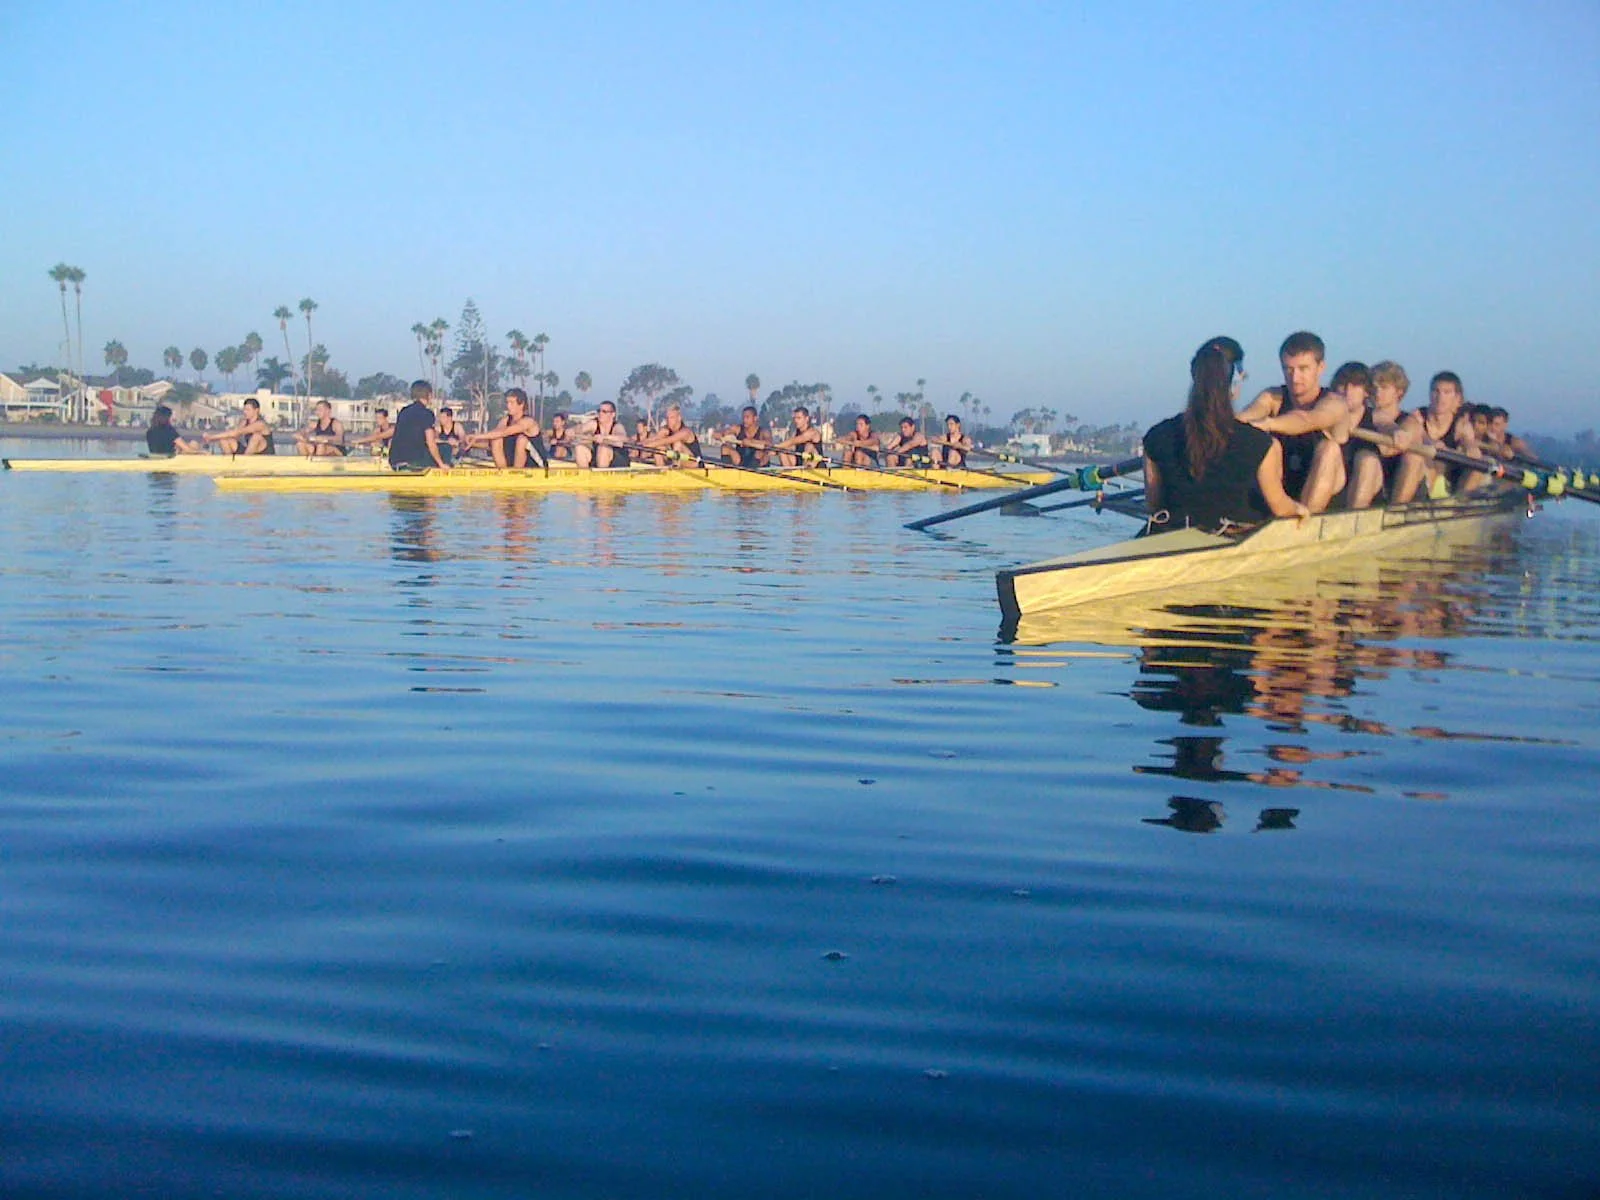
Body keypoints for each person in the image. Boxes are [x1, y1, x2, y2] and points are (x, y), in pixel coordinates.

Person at [1142, 337, 1307, 533]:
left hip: (1167, 533)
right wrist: (1300, 509)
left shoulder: (1155, 437)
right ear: (1235, 381)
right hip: (1232, 538)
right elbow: (1280, 507)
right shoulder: (1261, 444)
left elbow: (1153, 503)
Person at [1237, 331, 1348, 508]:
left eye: (1303, 369)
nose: (1294, 378)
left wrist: (1269, 423)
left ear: (1320, 368)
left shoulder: (1335, 404)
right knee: (1269, 444)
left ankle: (1306, 523)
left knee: (1330, 448)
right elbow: (1249, 414)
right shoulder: (1273, 397)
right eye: (1288, 369)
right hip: (1284, 492)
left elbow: (1309, 420)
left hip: (1327, 495)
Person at [1390, 371, 1485, 502]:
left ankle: (1460, 507)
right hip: (1421, 476)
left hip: (1449, 479)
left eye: (1446, 392)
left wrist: (1470, 448)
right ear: (1430, 394)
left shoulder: (1461, 424)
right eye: (1436, 391)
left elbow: (1469, 442)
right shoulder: (1416, 417)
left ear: (1456, 398)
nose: (1440, 398)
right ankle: (1396, 508)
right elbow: (1410, 429)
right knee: (1414, 456)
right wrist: (1428, 441)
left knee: (1479, 464)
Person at [1345, 360, 1423, 509]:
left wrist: (1398, 434)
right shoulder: (1363, 415)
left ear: (1399, 392)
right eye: (1374, 388)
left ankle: (1396, 512)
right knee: (1367, 459)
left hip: (1397, 478)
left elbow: (1394, 440)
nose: (1378, 393)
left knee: (1414, 456)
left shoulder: (1409, 421)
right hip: (1370, 478)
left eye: (1384, 388)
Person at [466, 388, 544, 468]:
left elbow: (504, 432)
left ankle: (517, 474)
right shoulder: (504, 421)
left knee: (521, 440)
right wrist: (472, 443)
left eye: (512, 403)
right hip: (511, 467)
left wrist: (476, 436)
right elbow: (492, 442)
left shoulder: (528, 421)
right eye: (507, 402)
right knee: (496, 439)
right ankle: (504, 474)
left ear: (521, 404)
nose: (508, 406)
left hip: (536, 467)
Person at [388, 380, 450, 471]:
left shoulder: (404, 411)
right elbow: (430, 442)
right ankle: (444, 470)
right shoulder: (427, 413)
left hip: (395, 460)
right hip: (413, 461)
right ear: (429, 395)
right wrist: (441, 464)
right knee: (446, 447)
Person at [203, 397, 276, 454]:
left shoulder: (260, 424)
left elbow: (237, 432)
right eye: (244, 409)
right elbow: (234, 435)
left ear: (256, 410)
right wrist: (216, 440)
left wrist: (212, 437)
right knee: (224, 440)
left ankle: (244, 460)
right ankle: (229, 463)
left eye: (248, 410)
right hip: (249, 450)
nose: (245, 412)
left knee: (256, 437)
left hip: (264, 453)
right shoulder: (244, 422)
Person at [574, 401, 629, 468]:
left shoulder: (617, 426)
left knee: (603, 447)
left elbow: (623, 438)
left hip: (617, 463)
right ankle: (585, 475)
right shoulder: (593, 424)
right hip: (598, 458)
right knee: (579, 448)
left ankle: (602, 476)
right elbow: (579, 429)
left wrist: (604, 437)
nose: (600, 413)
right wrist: (572, 431)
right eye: (599, 411)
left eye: (604, 412)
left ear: (613, 414)